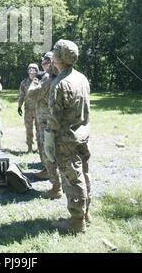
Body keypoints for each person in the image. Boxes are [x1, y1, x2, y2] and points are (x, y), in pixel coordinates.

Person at [47, 39, 91, 234]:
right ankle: (85, 212)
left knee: (72, 179)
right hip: (82, 136)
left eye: (55, 53)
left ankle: (77, 221)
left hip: (66, 140)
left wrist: (49, 140)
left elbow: (54, 118)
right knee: (83, 175)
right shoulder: (81, 78)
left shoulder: (60, 83)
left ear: (59, 58)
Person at [27, 54, 63, 199]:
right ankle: (48, 173)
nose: (44, 66)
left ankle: (56, 187)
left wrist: (34, 82)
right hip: (53, 120)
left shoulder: (48, 79)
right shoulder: (60, 77)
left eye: (47, 63)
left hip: (47, 121)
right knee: (50, 152)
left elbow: (32, 95)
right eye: (43, 63)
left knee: (48, 153)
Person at [18, 63, 40, 153]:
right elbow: (21, 95)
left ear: (37, 71)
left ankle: (40, 147)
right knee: (28, 129)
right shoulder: (24, 82)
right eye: (30, 69)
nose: (32, 71)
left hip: (39, 109)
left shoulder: (41, 81)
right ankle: (30, 147)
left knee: (39, 129)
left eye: (34, 69)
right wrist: (19, 106)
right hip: (28, 110)